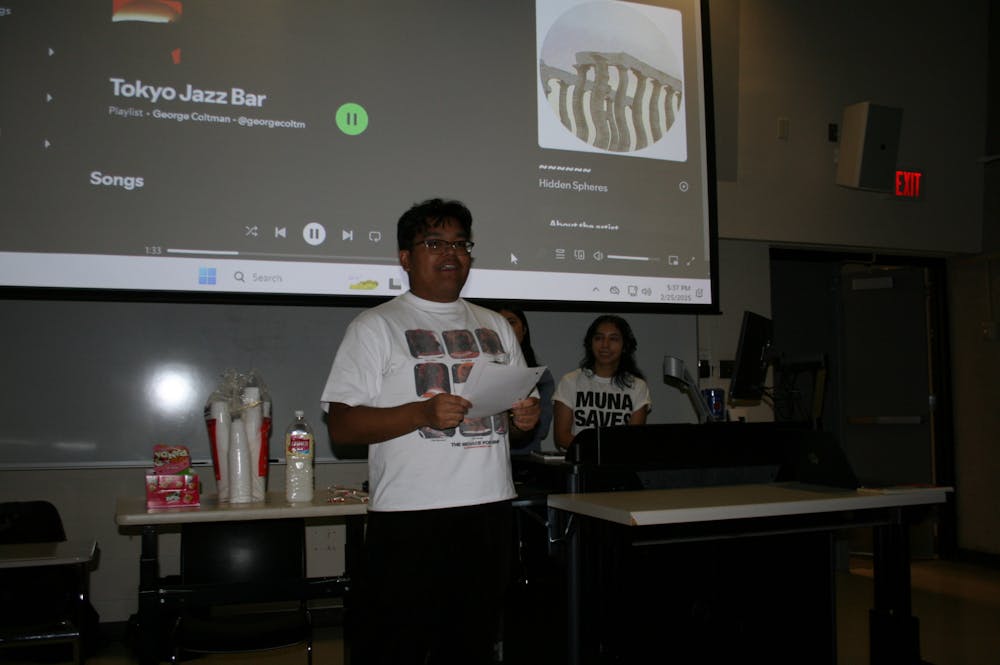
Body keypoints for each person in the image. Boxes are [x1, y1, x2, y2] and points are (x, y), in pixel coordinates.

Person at [320, 198, 540, 665]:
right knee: (400, 648)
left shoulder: (496, 324)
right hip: (411, 517)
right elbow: (341, 425)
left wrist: (524, 420)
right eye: (435, 242)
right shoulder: (376, 326)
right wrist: (419, 414)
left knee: (473, 646)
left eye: (461, 244)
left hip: (489, 511)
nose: (451, 253)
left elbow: (514, 423)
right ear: (405, 257)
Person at [553, 314, 651, 449]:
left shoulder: (638, 386)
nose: (605, 345)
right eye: (599, 338)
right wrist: (597, 452)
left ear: (625, 346)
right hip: (580, 465)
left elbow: (633, 440)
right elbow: (562, 437)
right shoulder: (570, 381)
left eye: (613, 339)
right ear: (590, 343)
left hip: (619, 466)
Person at [494, 303, 555, 455]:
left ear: (524, 330)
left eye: (511, 322)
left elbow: (541, 429)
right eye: (499, 322)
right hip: (489, 455)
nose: (505, 328)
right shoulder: (477, 371)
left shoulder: (540, 376)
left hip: (526, 458)